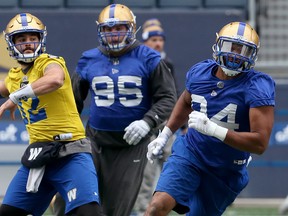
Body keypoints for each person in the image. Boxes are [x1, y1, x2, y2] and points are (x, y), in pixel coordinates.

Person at [52, 4, 177, 216]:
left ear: (132, 28)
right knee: (72, 199)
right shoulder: (88, 59)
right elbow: (72, 101)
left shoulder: (150, 58)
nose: (114, 33)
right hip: (94, 141)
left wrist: (147, 121)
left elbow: (167, 97)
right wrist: (67, 135)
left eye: (119, 27)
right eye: (108, 29)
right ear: (101, 31)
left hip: (132, 147)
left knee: (115, 209)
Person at [145, 21, 275, 216]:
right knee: (157, 207)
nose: (234, 55)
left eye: (243, 50)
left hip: (226, 169)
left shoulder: (257, 86)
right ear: (218, 45)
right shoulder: (201, 73)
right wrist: (165, 134)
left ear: (252, 55)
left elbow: (260, 143)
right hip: (192, 152)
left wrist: (215, 130)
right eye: (231, 47)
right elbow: (186, 101)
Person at [0, 13, 103, 216]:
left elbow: (54, 79)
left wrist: (16, 97)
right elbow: (4, 88)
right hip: (39, 157)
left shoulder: (49, 62)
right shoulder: (14, 77)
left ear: (41, 40)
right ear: (11, 44)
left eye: (33, 38)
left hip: (71, 153)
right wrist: (13, 94)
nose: (28, 43)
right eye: (21, 39)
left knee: (88, 214)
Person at [133, 18, 185, 216]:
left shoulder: (166, 62)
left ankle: (174, 205)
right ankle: (141, 210)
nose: (157, 43)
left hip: (167, 124)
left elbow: (175, 93)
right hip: (147, 123)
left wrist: (183, 122)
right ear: (145, 41)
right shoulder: (138, 62)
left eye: (160, 39)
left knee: (175, 166)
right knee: (146, 172)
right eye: (153, 39)